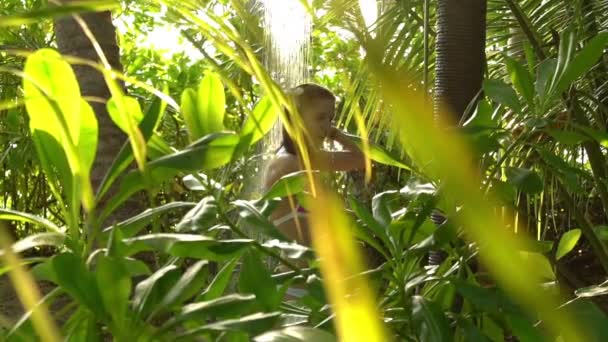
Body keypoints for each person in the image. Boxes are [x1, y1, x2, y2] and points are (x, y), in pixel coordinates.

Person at [263, 83, 366, 247]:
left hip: (311, 264)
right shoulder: (288, 163)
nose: (326, 126)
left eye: (330, 119)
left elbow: (360, 160)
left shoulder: (307, 158)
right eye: (320, 118)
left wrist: (336, 134)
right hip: (296, 267)